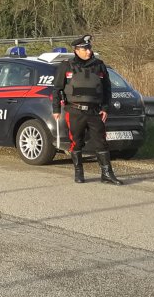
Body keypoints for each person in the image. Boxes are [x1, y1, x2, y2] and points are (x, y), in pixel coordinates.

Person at [52, 34, 122, 185]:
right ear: (76, 50)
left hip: (95, 111)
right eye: (85, 49)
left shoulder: (99, 65)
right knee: (76, 143)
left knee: (101, 142)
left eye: (89, 48)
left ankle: (107, 174)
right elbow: (57, 89)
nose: (88, 51)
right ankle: (78, 172)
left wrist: (105, 108)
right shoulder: (66, 65)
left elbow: (107, 89)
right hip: (75, 111)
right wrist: (56, 109)